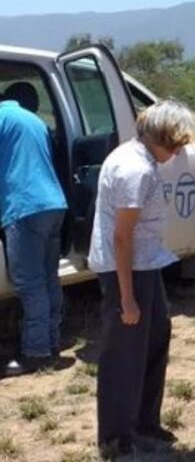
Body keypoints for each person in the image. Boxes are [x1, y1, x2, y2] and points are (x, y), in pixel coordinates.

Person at [87, 100, 195, 458]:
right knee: (124, 355)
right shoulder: (134, 170)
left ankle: (144, 422)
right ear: (163, 137)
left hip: (146, 266)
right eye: (177, 144)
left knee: (154, 342)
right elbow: (122, 237)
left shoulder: (141, 161)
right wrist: (127, 298)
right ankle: (118, 437)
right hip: (128, 271)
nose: (179, 151)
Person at [0, 82, 68, 377]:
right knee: (48, 278)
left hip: (25, 207)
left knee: (29, 283)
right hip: (54, 205)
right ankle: (52, 343)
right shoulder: (33, 119)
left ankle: (35, 352)